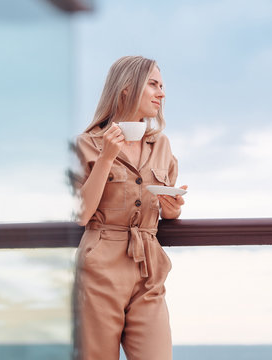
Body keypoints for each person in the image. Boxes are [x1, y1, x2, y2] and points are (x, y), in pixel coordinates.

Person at [73, 55, 187, 360]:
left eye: (162, 86)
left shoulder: (161, 144)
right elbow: (82, 214)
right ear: (126, 88)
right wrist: (107, 156)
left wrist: (173, 207)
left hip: (149, 268)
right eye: (153, 84)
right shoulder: (86, 144)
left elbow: (170, 213)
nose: (162, 93)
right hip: (101, 267)